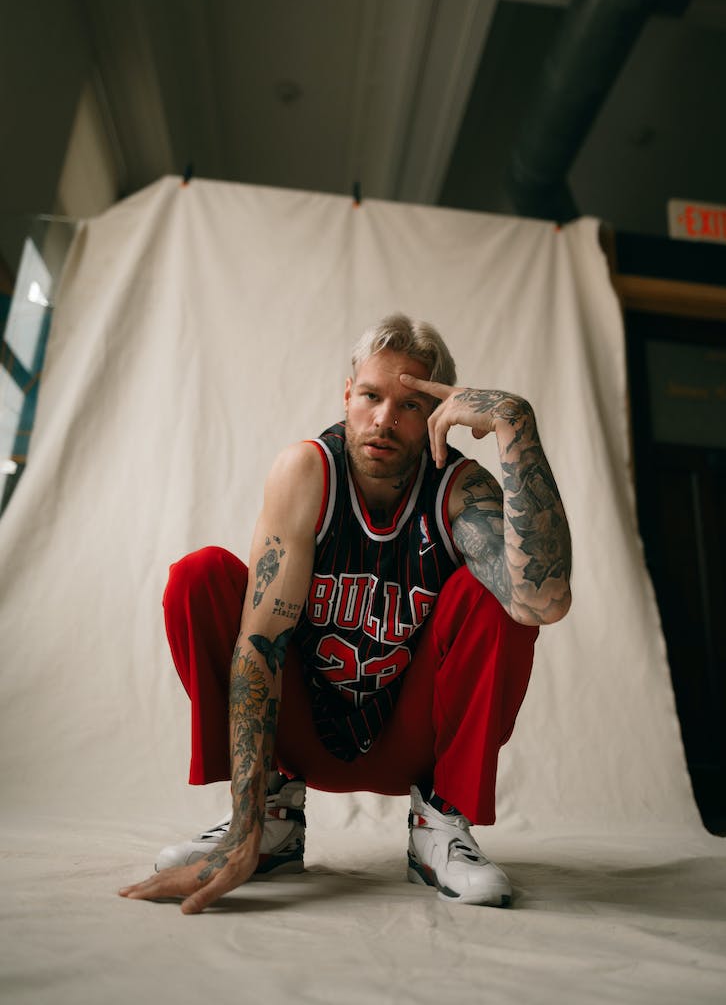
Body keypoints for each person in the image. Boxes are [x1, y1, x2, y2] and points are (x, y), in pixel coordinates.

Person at [119, 314, 571, 914]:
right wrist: (241, 831)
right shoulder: (308, 471)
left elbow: (542, 599)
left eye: (411, 404)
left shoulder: (459, 488)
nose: (384, 419)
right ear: (347, 395)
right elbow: (260, 645)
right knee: (199, 577)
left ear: (440, 415)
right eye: (371, 396)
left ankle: (439, 820)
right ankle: (270, 819)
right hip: (301, 731)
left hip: (413, 741)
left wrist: (515, 424)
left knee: (495, 599)